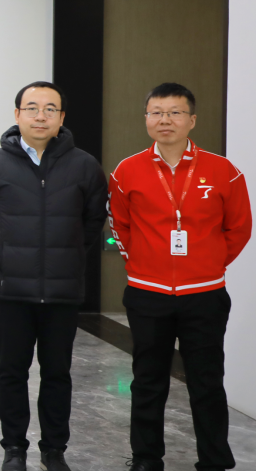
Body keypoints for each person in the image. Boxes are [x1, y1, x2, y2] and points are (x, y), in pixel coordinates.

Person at [107, 83, 251, 471]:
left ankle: (214, 460)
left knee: (207, 381)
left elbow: (239, 227)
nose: (165, 120)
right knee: (147, 380)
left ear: (192, 120)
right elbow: (120, 225)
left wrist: (210, 264)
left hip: (204, 294)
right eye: (156, 112)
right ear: (146, 119)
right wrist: (140, 263)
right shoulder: (126, 170)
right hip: (147, 292)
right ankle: (146, 458)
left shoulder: (223, 171)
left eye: (174, 112)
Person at [0, 81, 107, 471]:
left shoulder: (85, 166)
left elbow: (93, 221)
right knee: (12, 372)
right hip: (12, 290)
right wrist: (3, 255)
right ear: (17, 115)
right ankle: (14, 448)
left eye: (49, 109)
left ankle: (54, 449)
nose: (40, 116)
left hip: (62, 291)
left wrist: (67, 256)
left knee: (57, 373)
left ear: (61, 117)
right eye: (31, 108)